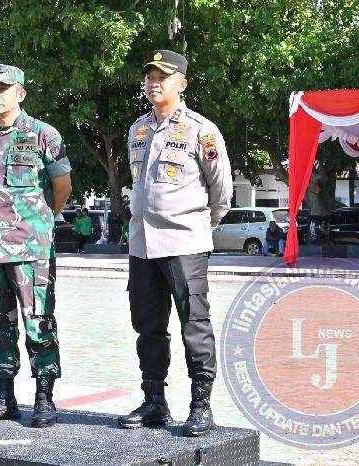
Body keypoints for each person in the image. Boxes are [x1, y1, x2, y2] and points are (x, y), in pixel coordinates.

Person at [118, 50, 233, 437]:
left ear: (181, 83)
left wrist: (199, 227)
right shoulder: (137, 130)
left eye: (162, 77)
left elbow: (221, 191)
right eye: (150, 77)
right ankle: (154, 401)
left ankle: (201, 405)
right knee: (147, 325)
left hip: (184, 243)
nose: (154, 83)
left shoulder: (202, 130)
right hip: (142, 245)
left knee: (194, 324)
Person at [0, 64, 72, 428]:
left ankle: (44, 395)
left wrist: (40, 223)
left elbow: (62, 186)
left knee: (38, 319)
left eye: (3, 88)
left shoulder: (43, 134)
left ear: (20, 93)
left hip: (30, 247)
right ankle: (3, 395)